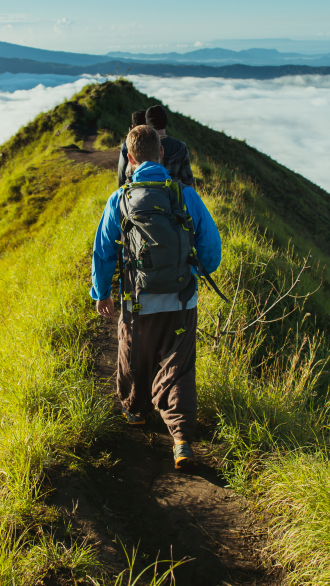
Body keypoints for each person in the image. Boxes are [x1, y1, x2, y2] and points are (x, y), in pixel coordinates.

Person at [92, 125, 222, 471]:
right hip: (181, 300)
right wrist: (196, 271)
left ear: (130, 159)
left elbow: (103, 252)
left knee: (134, 351)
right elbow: (212, 247)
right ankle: (181, 440)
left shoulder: (119, 199)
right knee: (178, 366)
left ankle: (134, 411)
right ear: (161, 154)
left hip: (138, 301)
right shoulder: (183, 195)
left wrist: (101, 293)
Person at [117, 105, 194, 188]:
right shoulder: (181, 147)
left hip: (142, 196)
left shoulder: (141, 144)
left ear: (147, 124)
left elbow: (128, 178)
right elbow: (188, 182)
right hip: (172, 198)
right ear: (166, 121)